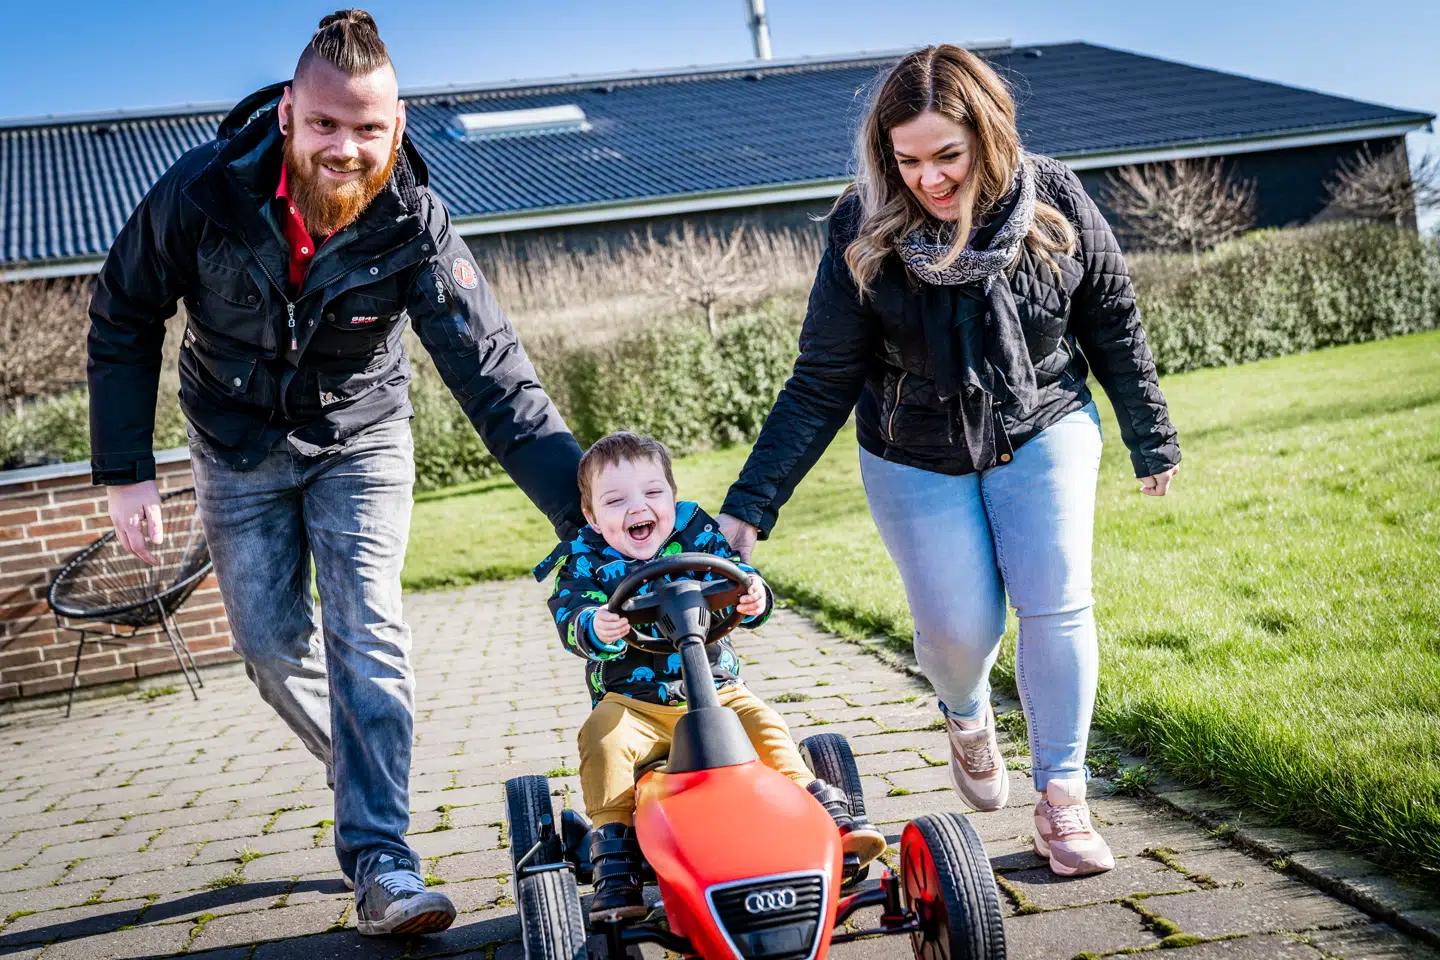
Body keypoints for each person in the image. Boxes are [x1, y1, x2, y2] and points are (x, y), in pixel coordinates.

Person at [87, 11, 585, 934]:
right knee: (271, 649)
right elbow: (122, 312)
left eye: (368, 129)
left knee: (372, 632)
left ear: (397, 128)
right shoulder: (205, 194)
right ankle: (362, 768)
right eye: (325, 124)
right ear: (287, 114)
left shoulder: (413, 220)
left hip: (360, 437)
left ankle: (383, 862)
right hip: (234, 442)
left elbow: (493, 373)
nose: (345, 149)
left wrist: (583, 509)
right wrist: (125, 470)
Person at [717, 45, 1181, 878]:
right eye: (908, 160)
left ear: (990, 137)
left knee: (1058, 603)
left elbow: (1112, 319)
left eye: (948, 157)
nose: (928, 179)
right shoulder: (862, 227)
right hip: (912, 451)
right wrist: (752, 501)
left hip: (1043, 424)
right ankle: (965, 712)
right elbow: (823, 377)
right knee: (961, 632)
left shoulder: (1056, 199)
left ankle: (1062, 801)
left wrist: (1150, 435)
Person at [533, 432, 886, 921]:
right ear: (592, 517)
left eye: (653, 494)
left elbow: (738, 577)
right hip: (633, 703)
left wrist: (754, 596)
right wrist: (593, 624)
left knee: (764, 725)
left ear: (672, 499)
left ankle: (818, 809)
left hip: (718, 692)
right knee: (602, 738)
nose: (639, 507)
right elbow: (570, 619)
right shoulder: (583, 562)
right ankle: (614, 852)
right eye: (616, 501)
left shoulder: (696, 534)